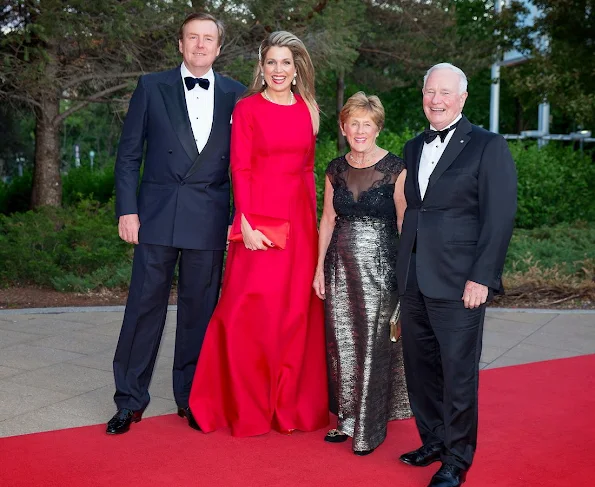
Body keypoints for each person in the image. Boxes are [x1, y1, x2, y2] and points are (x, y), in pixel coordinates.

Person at [107, 13, 245, 435]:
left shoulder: (239, 95)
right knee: (143, 309)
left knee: (198, 314)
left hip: (209, 218)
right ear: (180, 44)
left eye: (208, 39)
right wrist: (127, 210)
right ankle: (129, 401)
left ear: (219, 48)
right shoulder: (151, 87)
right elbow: (129, 155)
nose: (200, 45)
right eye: (192, 37)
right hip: (157, 215)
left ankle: (191, 398)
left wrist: (238, 218)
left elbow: (245, 166)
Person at [187, 31, 329, 437]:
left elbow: (307, 171)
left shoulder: (309, 109)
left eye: (286, 63)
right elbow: (240, 168)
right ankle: (232, 402)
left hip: (298, 223)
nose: (278, 70)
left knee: (293, 315)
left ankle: (286, 407)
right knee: (246, 310)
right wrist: (245, 222)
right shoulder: (247, 109)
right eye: (271, 63)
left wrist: (311, 228)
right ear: (261, 68)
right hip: (258, 221)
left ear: (297, 69)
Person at [396, 63, 517, 487]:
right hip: (413, 279)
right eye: (431, 92)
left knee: (458, 374)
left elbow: (499, 217)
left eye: (446, 92)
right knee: (420, 368)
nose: (437, 100)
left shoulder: (488, 145)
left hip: (460, 281)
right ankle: (433, 439)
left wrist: (482, 277)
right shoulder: (413, 147)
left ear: (463, 98)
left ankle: (457, 459)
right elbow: (415, 211)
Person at [312, 92, 411, 456]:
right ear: (343, 126)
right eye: (353, 123)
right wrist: (318, 268)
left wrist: (406, 273)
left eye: (366, 124)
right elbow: (327, 219)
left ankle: (369, 428)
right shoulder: (335, 168)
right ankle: (345, 418)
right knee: (341, 343)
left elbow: (403, 222)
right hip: (338, 265)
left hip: (381, 268)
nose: (359, 130)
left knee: (373, 343)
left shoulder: (395, 168)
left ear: (377, 127)